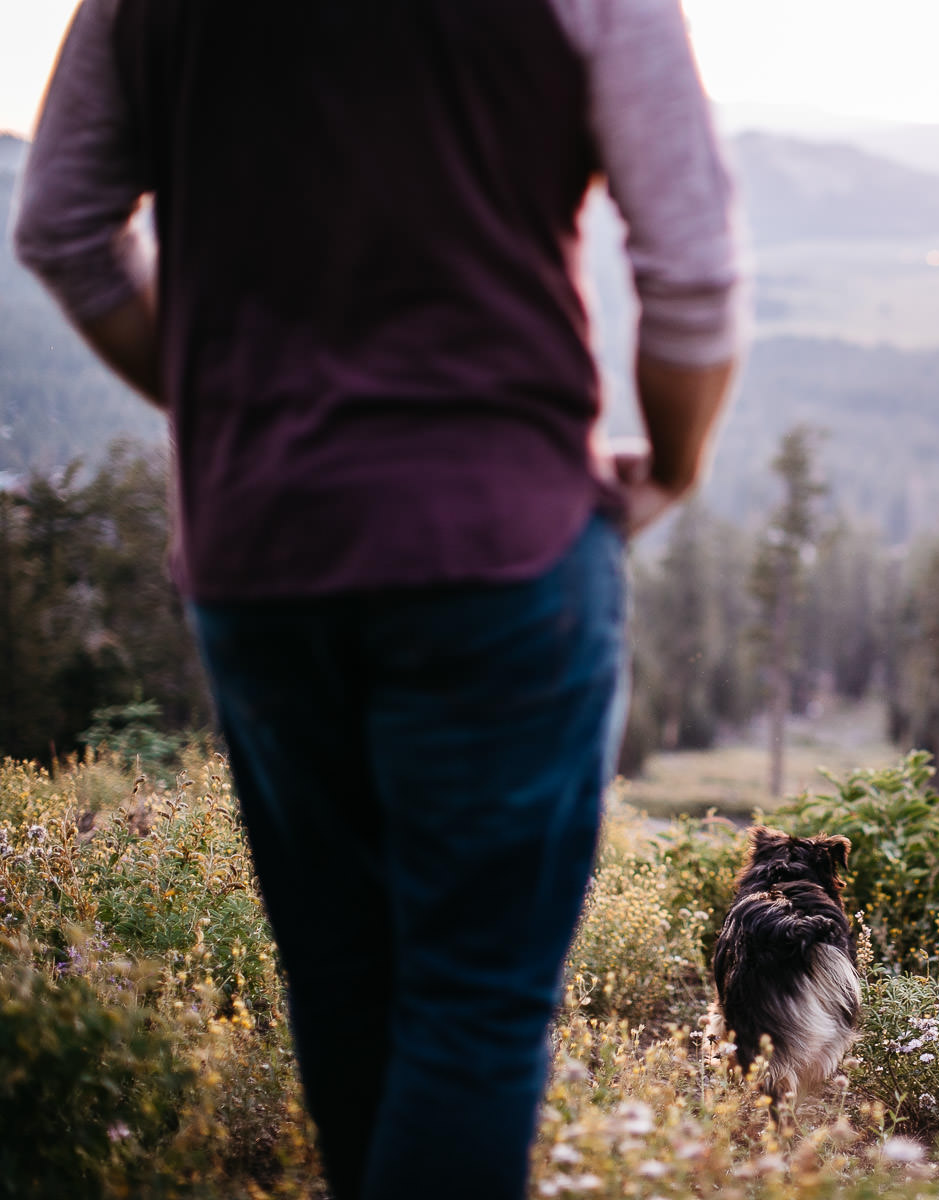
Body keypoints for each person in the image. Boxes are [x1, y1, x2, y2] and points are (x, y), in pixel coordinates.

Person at [12, 1, 741, 1196]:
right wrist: (671, 463)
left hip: (261, 557)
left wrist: (232, 416)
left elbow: (61, 230)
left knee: (342, 982)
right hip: (497, 547)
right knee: (474, 1007)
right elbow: (694, 269)